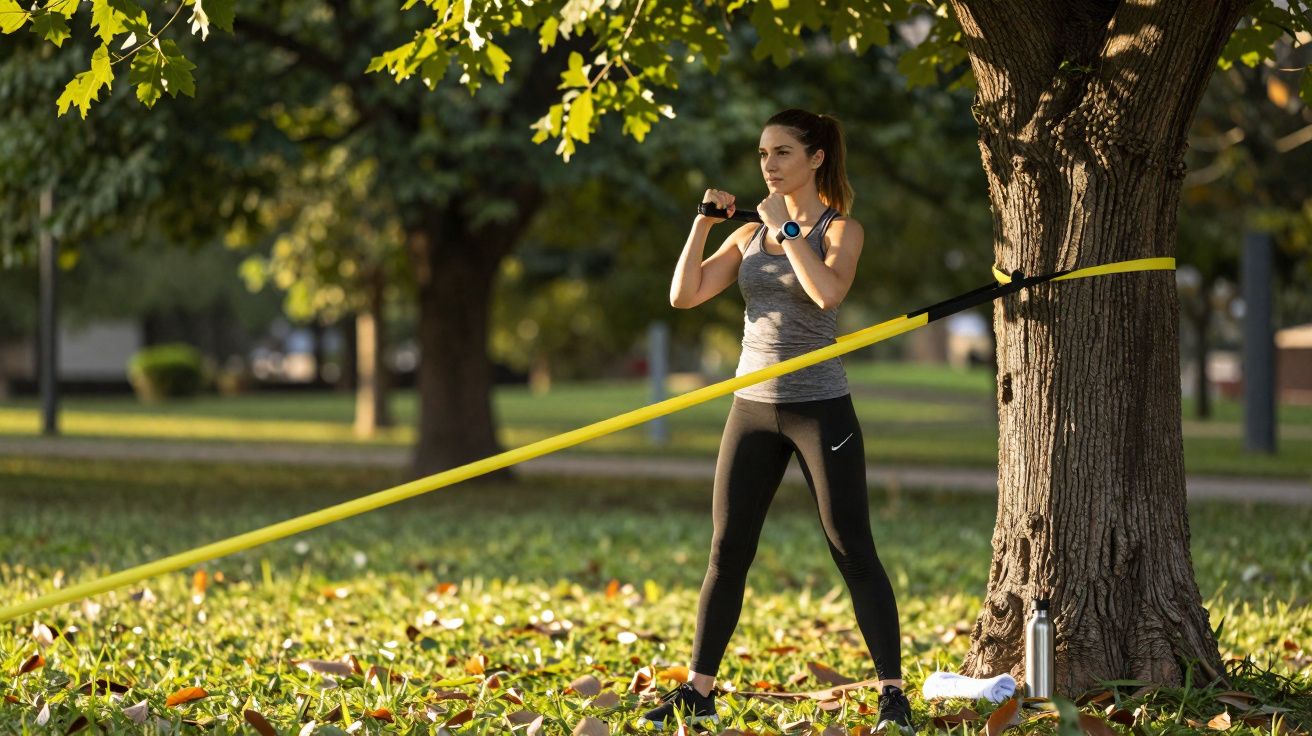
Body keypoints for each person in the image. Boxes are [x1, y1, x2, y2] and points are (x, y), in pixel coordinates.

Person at [639, 109, 914, 734]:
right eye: (763, 153)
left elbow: (828, 293)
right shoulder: (747, 235)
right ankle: (700, 691)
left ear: (816, 158)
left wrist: (788, 228)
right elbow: (684, 295)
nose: (769, 164)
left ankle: (892, 692)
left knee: (853, 548)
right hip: (753, 408)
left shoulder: (840, 229)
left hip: (821, 408)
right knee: (727, 551)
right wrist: (703, 225)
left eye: (783, 152)